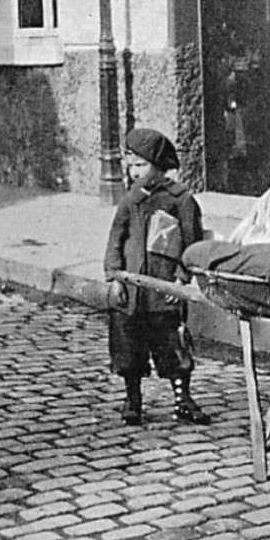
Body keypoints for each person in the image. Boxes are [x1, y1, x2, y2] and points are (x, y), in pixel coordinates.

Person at [103, 127, 209, 427]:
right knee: (128, 345)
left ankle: (182, 399)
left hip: (163, 292)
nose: (135, 172)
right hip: (131, 292)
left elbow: (193, 246)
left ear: (159, 165)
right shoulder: (131, 200)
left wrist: (180, 280)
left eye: (141, 165)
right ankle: (132, 399)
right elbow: (116, 238)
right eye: (132, 166)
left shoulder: (181, 200)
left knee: (172, 346)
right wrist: (115, 276)